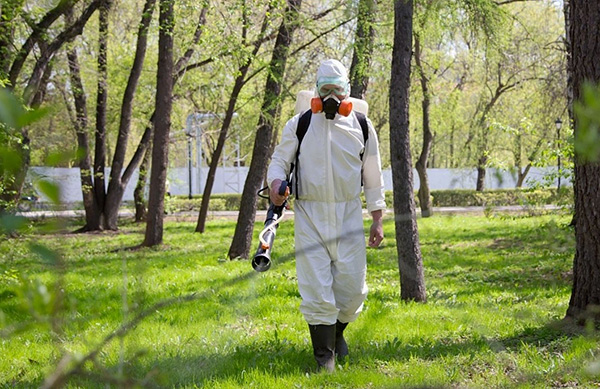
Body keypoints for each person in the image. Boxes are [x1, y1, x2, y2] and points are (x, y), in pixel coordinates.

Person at [267, 59, 386, 372]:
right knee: (316, 286)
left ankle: (336, 333)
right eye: (325, 89)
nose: (332, 96)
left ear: (347, 91)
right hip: (310, 213)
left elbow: (372, 174)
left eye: (337, 89)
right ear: (316, 91)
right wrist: (277, 183)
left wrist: (377, 217)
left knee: (353, 289)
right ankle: (325, 357)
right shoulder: (300, 124)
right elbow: (279, 162)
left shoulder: (361, 125)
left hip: (349, 213)